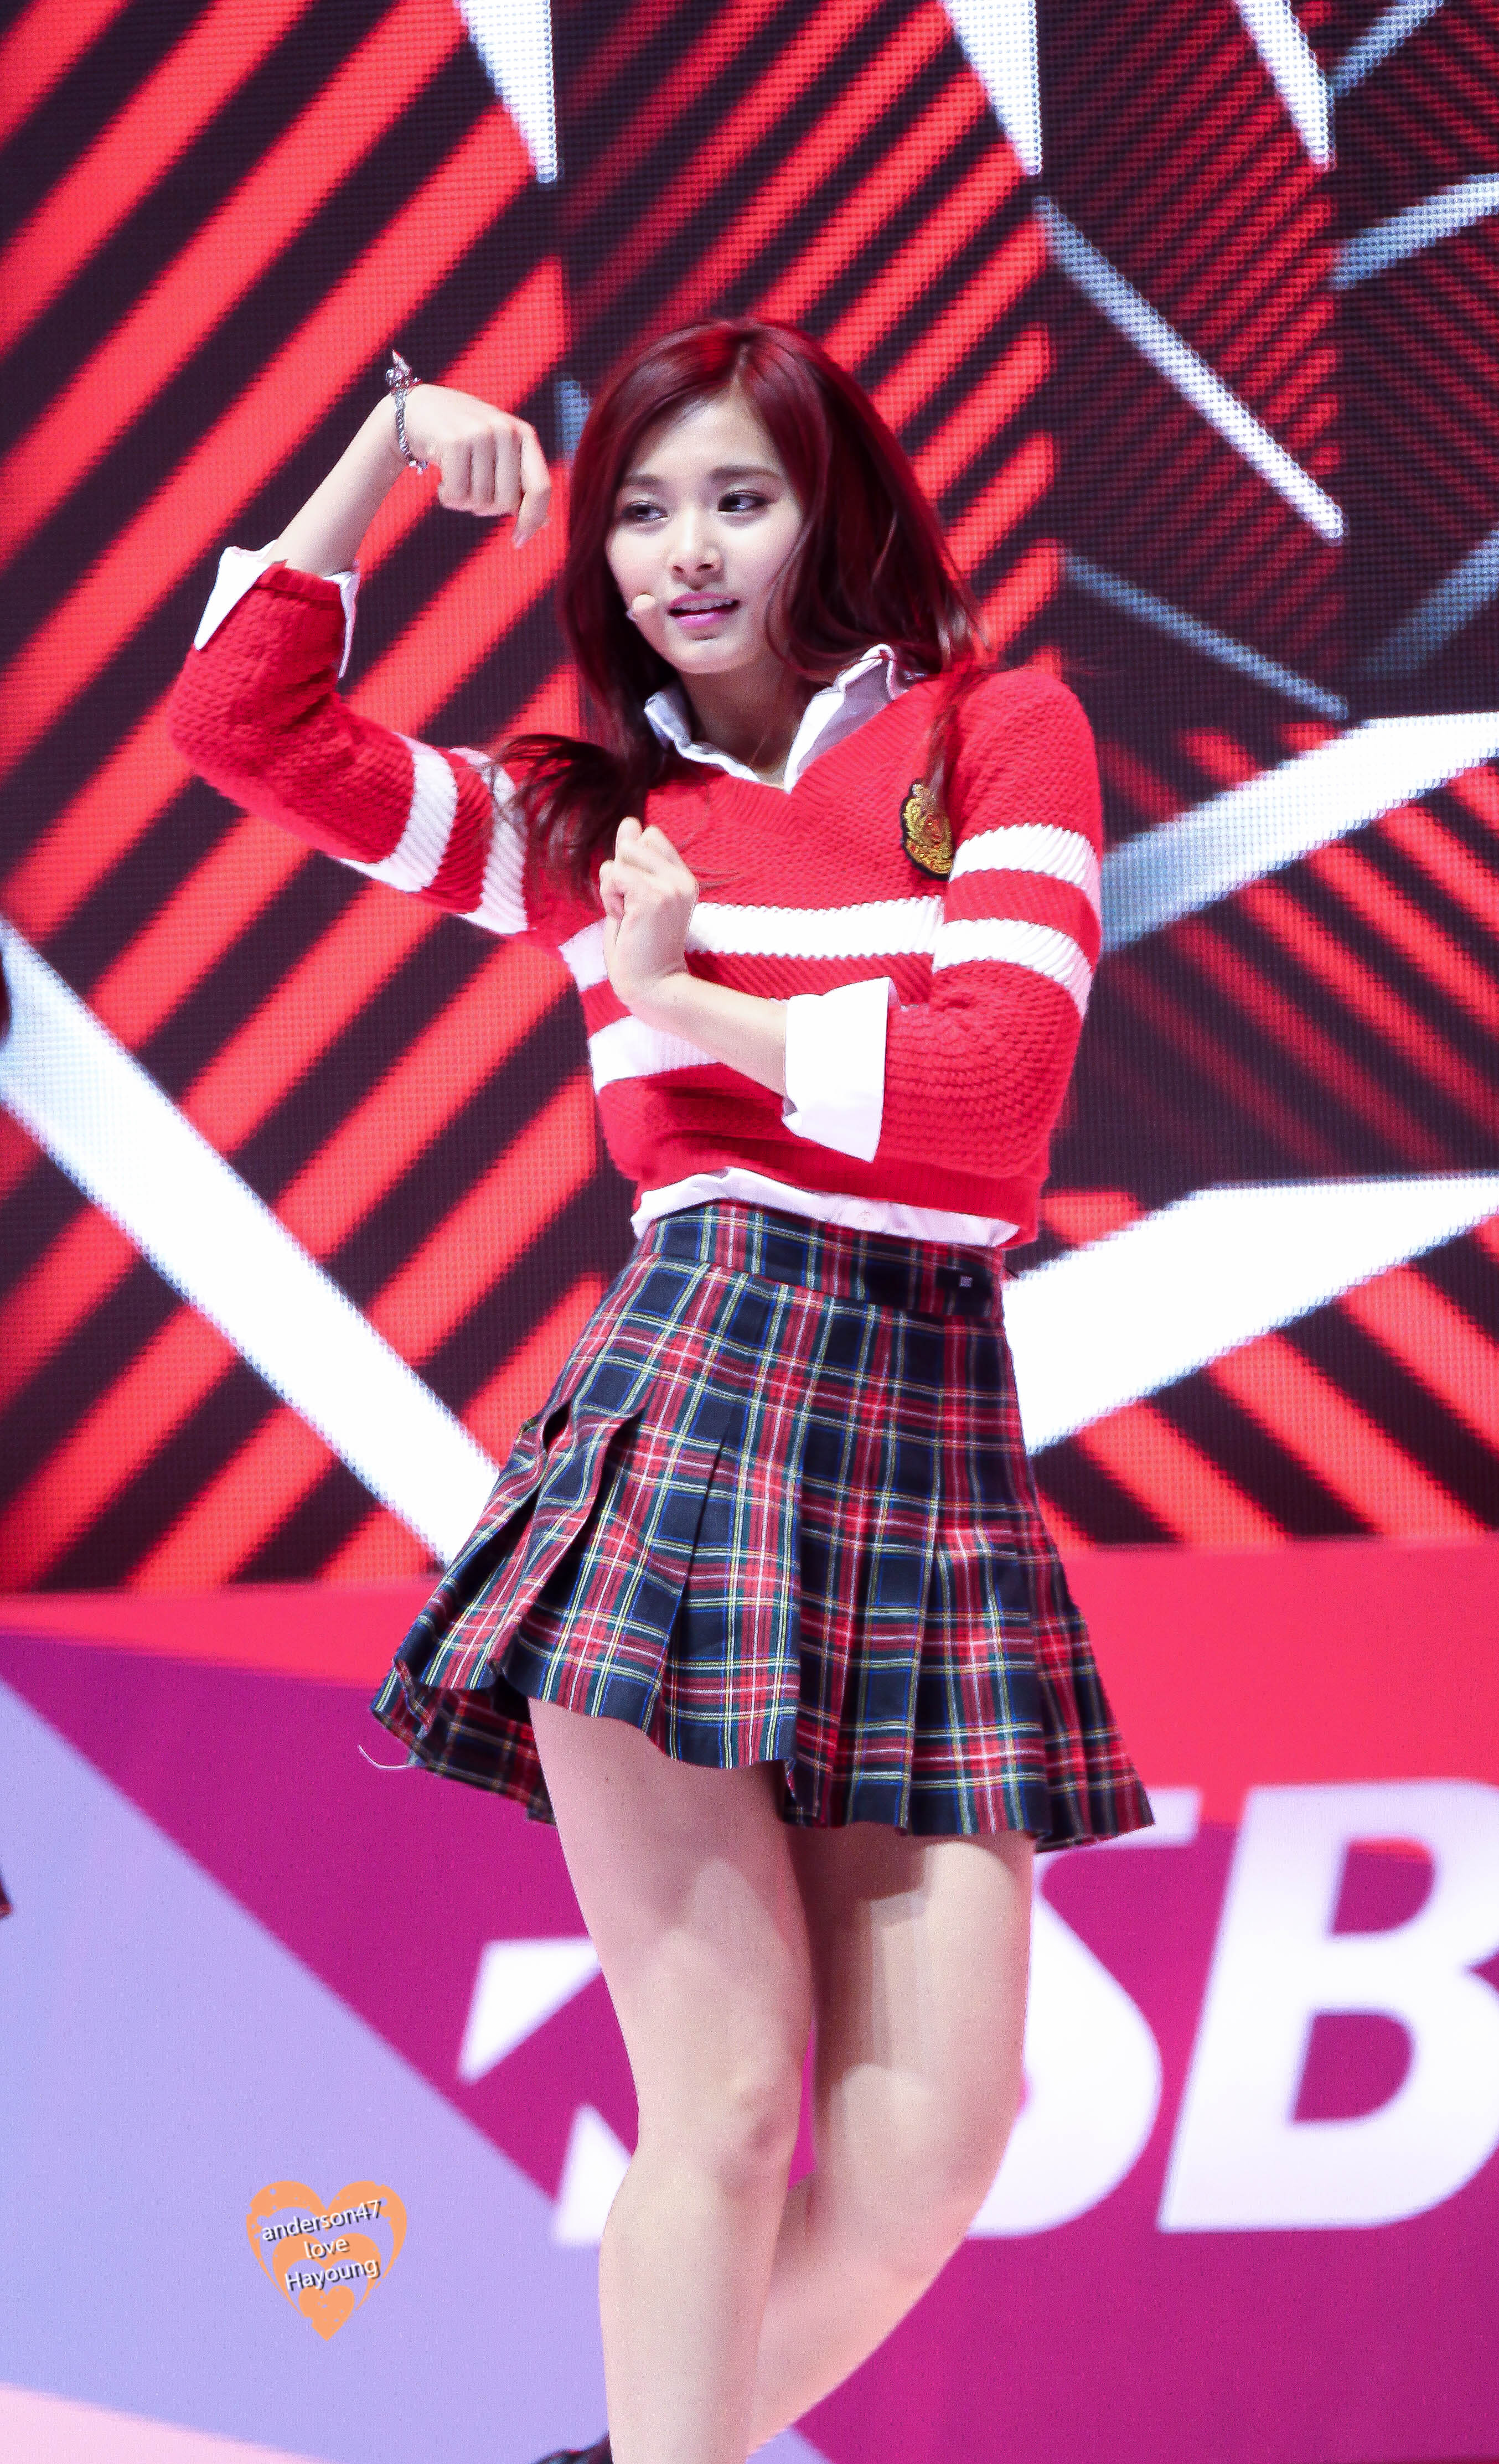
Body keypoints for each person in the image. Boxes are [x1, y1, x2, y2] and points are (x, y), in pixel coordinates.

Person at [170, 318, 1151, 2464]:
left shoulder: (997, 731)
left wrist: (680, 996)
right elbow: (239, 726)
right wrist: (381, 450)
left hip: (926, 1433)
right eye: (636, 509)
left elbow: (991, 1111)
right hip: (693, 1411)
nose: (682, 551)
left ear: (832, 512)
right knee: (714, 2099)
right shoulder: (582, 816)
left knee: (926, 2152)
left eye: (736, 498)